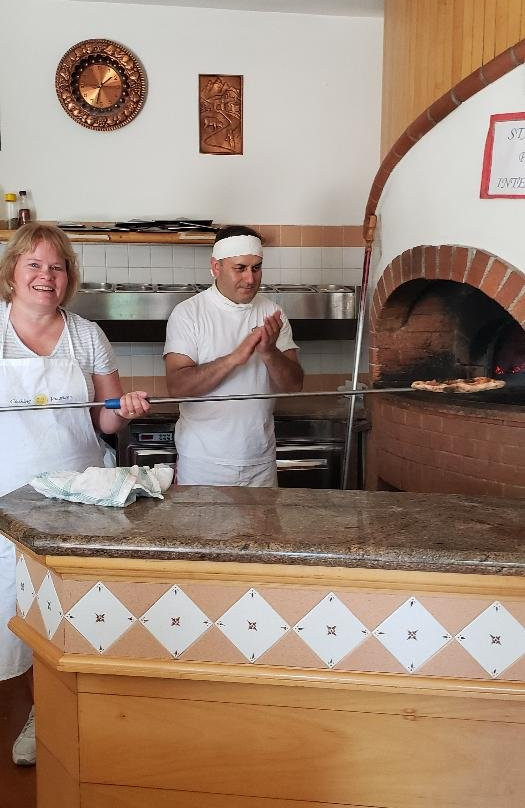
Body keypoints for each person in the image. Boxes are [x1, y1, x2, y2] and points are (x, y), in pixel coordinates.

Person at [0, 222, 150, 766]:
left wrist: (124, 410)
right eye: (34, 264)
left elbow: (104, 421)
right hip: (6, 496)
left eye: (57, 267)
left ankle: (49, 715)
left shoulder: (86, 335)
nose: (46, 276)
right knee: (11, 607)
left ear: (68, 277)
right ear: (12, 272)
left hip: (76, 494)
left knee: (67, 609)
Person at [164, 225, 304, 486]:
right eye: (240, 268)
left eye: (256, 268)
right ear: (216, 267)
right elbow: (177, 387)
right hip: (203, 464)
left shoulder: (272, 313)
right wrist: (235, 358)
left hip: (260, 462)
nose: (250, 279)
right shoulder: (189, 314)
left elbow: (294, 385)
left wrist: (269, 352)